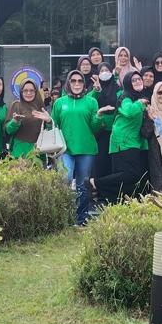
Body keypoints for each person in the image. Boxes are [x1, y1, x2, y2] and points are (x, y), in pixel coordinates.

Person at [93, 70, 151, 203]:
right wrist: (140, 103)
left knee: (130, 180)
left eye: (139, 79)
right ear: (128, 83)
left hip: (134, 142)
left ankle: (118, 204)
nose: (138, 81)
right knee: (131, 175)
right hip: (122, 142)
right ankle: (96, 182)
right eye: (134, 80)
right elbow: (129, 112)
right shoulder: (126, 97)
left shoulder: (137, 97)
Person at [52, 71, 101, 223]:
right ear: (68, 83)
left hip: (86, 149)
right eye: (73, 81)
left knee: (83, 184)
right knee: (64, 179)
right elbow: (54, 125)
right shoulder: (59, 102)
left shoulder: (91, 102)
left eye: (80, 81)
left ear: (84, 84)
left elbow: (95, 128)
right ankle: (62, 218)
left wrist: (98, 118)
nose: (77, 84)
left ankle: (81, 219)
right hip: (64, 150)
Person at [5, 80, 51, 159]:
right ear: (21, 92)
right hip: (20, 152)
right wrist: (15, 121)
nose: (28, 93)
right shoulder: (16, 105)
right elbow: (8, 130)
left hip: (38, 152)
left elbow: (48, 131)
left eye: (31, 90)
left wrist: (49, 121)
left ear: (36, 92)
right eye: (25, 91)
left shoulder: (40, 107)